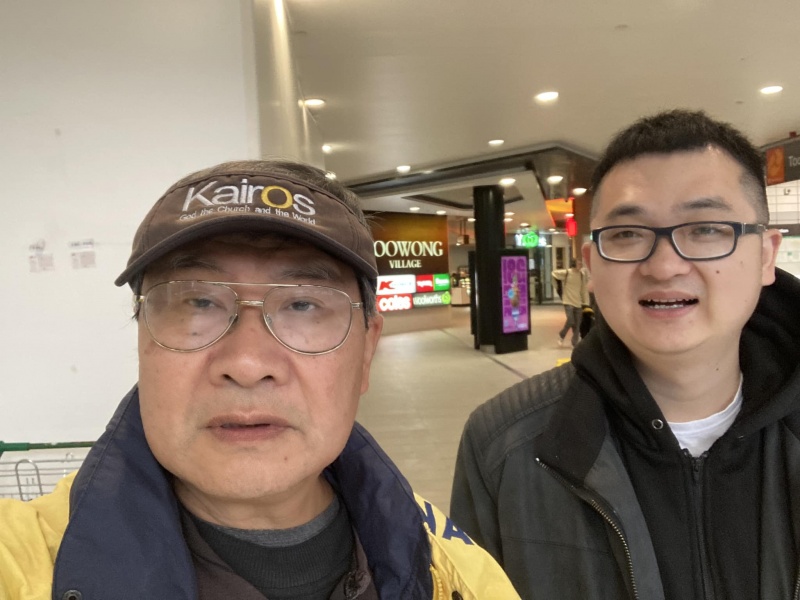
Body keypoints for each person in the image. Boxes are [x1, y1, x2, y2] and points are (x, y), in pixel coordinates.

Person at [0, 160, 519, 599]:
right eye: (198, 301)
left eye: (303, 304)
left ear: (366, 352)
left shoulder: (457, 575)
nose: (247, 363)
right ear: (142, 339)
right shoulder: (22, 563)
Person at [450, 109, 798, 599]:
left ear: (765, 254)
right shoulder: (504, 446)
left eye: (705, 229)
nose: (665, 266)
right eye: (628, 234)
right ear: (591, 265)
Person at [551, 258, 590, 347]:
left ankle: (574, 343)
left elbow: (583, 289)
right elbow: (554, 273)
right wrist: (557, 286)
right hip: (568, 301)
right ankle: (562, 335)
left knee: (578, 323)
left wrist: (585, 302)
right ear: (574, 264)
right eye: (578, 263)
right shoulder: (567, 272)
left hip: (578, 302)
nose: (580, 264)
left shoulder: (581, 275)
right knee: (571, 320)